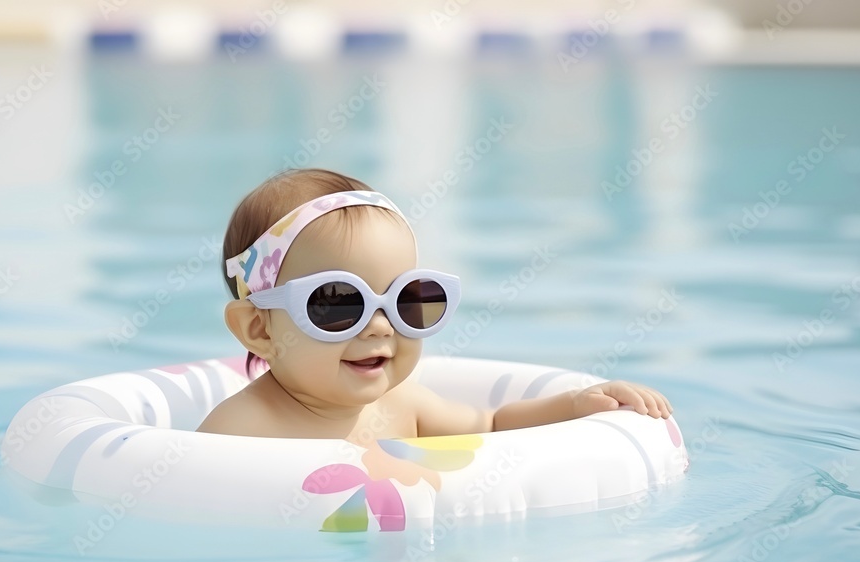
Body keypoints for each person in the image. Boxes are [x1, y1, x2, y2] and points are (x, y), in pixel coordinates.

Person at [197, 169, 672, 463]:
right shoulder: (241, 432)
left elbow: (491, 427)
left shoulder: (403, 405)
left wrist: (573, 405)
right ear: (260, 329)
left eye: (406, 299)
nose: (381, 325)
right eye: (338, 302)